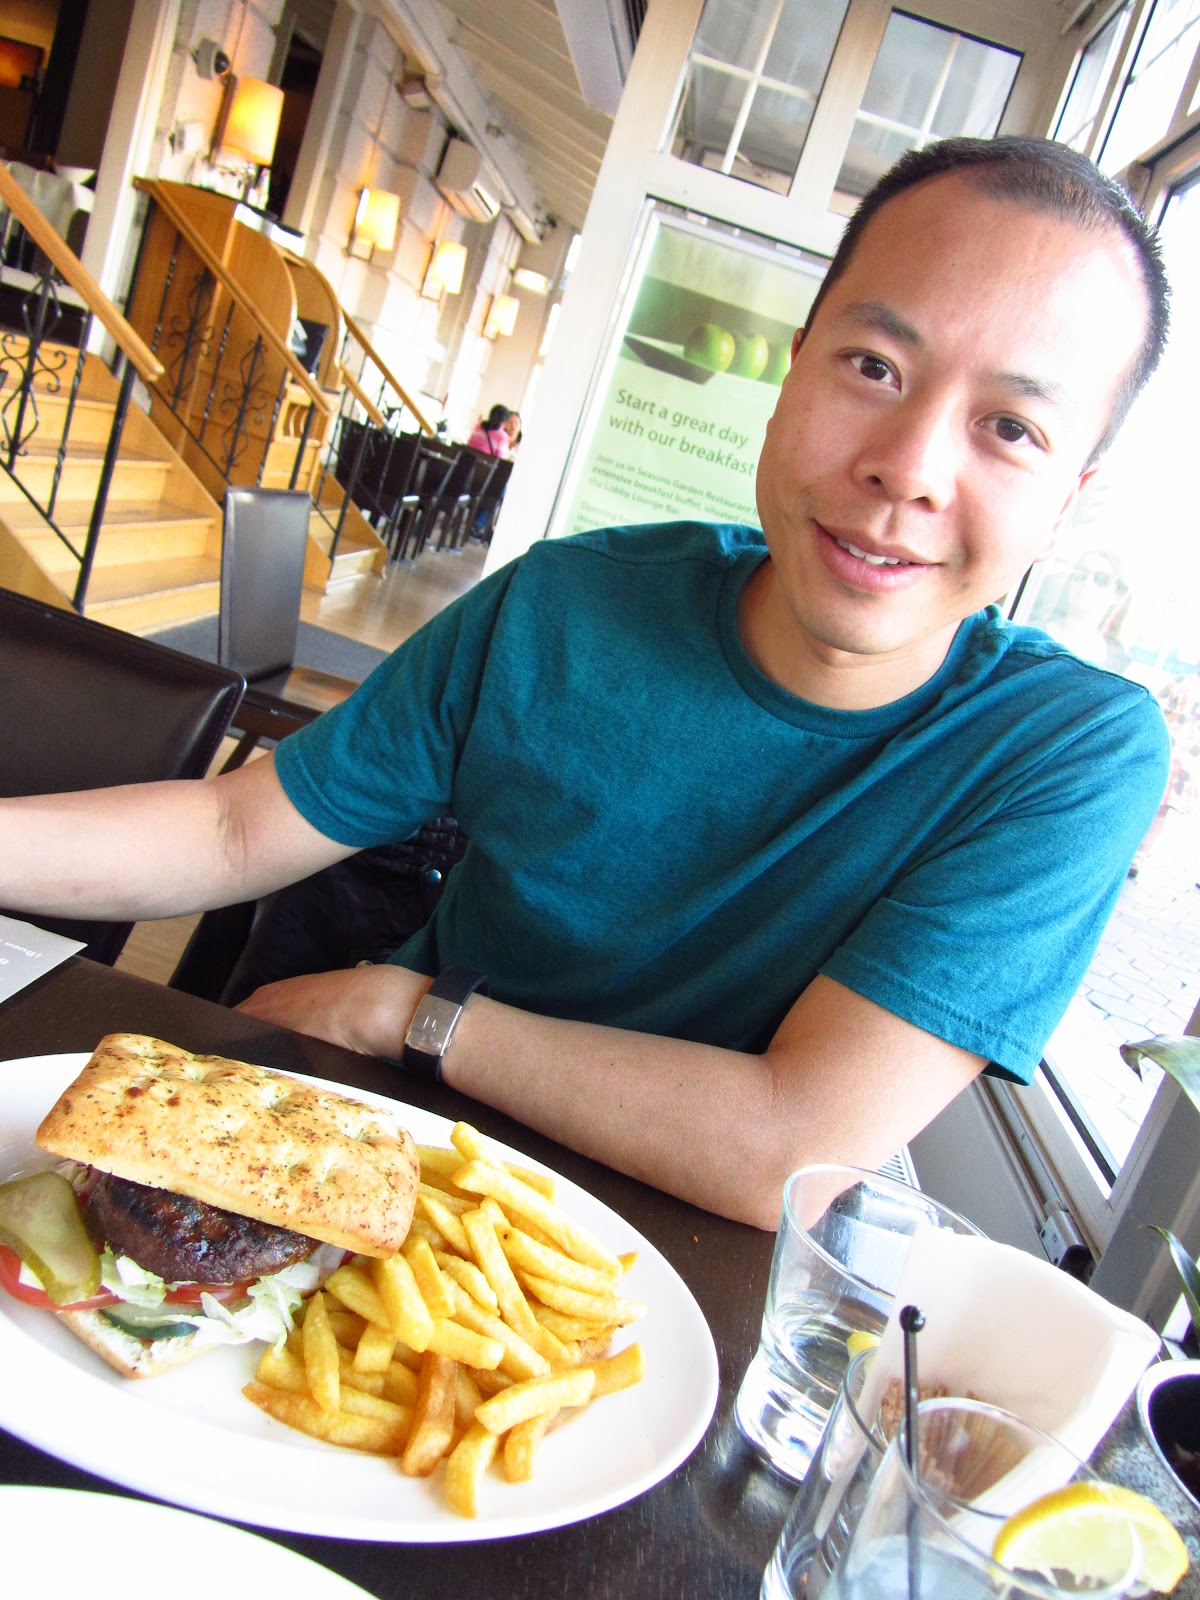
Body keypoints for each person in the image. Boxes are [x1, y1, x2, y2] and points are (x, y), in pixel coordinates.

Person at [0, 137, 1171, 1230]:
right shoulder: (567, 604)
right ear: (790, 368)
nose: (909, 469)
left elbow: (792, 1148)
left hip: (669, 1251)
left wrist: (409, 1011)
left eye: (1011, 428)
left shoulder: (1066, 751)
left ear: (1068, 495)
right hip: (374, 1153)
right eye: (874, 366)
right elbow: (231, 825)